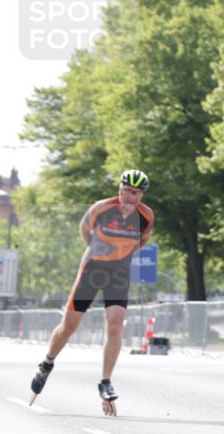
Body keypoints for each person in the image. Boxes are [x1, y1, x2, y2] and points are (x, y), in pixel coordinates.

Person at [29, 169, 155, 416]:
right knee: (69, 327)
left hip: (119, 273)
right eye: (128, 191)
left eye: (137, 193)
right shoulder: (101, 208)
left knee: (116, 324)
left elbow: (143, 241)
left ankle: (105, 382)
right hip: (92, 269)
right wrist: (97, 250)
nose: (131, 197)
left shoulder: (146, 215)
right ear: (120, 189)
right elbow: (84, 230)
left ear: (142, 195)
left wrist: (121, 254)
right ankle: (47, 363)